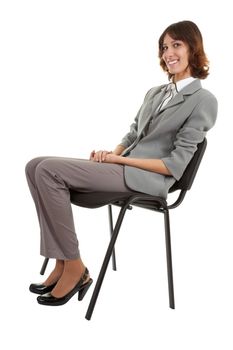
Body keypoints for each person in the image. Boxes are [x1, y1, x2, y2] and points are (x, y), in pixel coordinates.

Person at [26, 20, 217, 306]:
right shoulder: (156, 93)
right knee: (34, 165)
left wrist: (116, 160)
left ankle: (75, 266)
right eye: (165, 47)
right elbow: (132, 134)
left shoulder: (203, 100)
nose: (169, 53)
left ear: (194, 49)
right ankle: (62, 263)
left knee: (49, 170)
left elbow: (174, 165)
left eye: (177, 45)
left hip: (148, 180)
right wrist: (111, 154)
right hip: (122, 167)